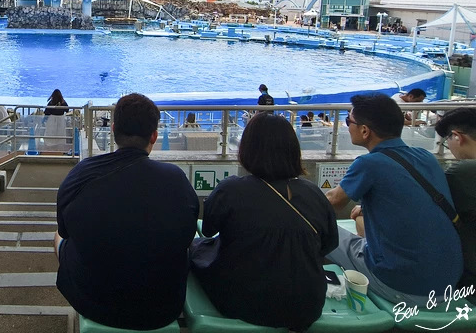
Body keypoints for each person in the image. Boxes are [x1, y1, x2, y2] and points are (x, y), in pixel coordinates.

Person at [55, 93, 199, 330]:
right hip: (162, 307)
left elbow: (66, 231)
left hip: (93, 302)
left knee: (57, 236)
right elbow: (187, 236)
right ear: (154, 135)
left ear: (113, 129)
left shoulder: (81, 175)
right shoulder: (176, 180)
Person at [191, 113, 338, 331]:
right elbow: (328, 245)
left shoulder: (231, 190)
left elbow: (208, 230)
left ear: (247, 149)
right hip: (306, 307)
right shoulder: (315, 195)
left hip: (241, 303)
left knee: (195, 249)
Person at [325, 93, 462, 305]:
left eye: (348, 121)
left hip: (403, 287)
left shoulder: (369, 164)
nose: (347, 126)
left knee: (320, 230)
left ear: (364, 130)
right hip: (448, 283)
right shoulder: (425, 156)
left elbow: (331, 203)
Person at [435, 108, 476, 289]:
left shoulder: (463, 173)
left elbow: (423, 204)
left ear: (457, 137)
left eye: (446, 142)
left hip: (467, 280)